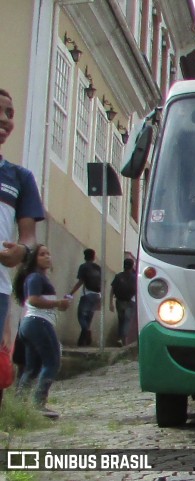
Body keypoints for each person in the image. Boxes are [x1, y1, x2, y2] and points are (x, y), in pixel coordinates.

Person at [0, 88, 45, 408]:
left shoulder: (20, 178)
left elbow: (28, 235)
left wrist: (24, 252)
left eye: (10, 114)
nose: (5, 120)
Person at [13, 244, 70, 418]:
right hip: (39, 323)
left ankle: (19, 404)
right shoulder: (36, 278)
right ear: (34, 259)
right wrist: (57, 303)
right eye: (42, 254)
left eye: (48, 253)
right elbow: (33, 300)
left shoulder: (36, 278)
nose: (47, 257)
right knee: (52, 362)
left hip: (30, 324)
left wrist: (58, 305)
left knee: (32, 367)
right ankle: (39, 403)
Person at [68, 248, 101, 346]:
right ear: (94, 257)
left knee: (81, 316)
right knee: (89, 318)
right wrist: (100, 299)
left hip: (87, 294)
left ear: (84, 256)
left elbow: (80, 282)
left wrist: (71, 293)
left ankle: (87, 331)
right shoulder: (98, 268)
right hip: (97, 295)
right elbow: (102, 283)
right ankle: (82, 342)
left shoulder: (83, 267)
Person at [109, 258, 136, 347]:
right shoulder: (134, 277)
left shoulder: (118, 276)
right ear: (132, 266)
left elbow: (112, 289)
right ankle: (123, 339)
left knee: (121, 320)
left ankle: (121, 338)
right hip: (130, 301)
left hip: (119, 301)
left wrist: (110, 303)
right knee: (127, 321)